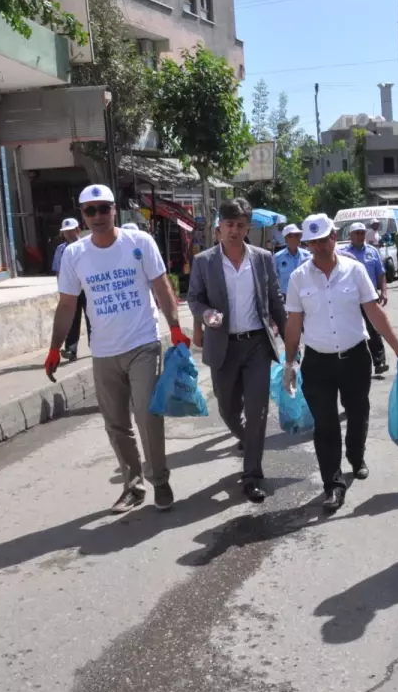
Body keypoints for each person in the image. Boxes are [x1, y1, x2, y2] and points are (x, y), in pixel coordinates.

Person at [46, 184, 190, 513]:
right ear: (82, 216)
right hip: (104, 350)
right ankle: (133, 485)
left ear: (114, 210)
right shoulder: (74, 254)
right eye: (90, 210)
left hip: (143, 343)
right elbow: (67, 304)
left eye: (103, 208)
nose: (98, 216)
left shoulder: (139, 242)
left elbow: (160, 285)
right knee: (116, 423)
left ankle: (159, 480)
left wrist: (176, 326)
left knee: (147, 414)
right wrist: (55, 348)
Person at [283, 214, 398, 512]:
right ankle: (333, 484)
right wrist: (289, 363)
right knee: (325, 425)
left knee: (358, 413)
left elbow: (374, 313)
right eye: (312, 242)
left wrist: (397, 346)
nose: (318, 247)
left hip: (354, 357)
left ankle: (356, 456)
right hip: (317, 363)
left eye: (323, 239)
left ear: (333, 238)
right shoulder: (299, 278)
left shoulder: (355, 271)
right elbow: (293, 323)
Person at [187, 199, 287, 504]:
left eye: (240, 225)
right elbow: (194, 298)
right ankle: (247, 438)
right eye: (229, 224)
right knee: (228, 410)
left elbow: (275, 300)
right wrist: (205, 317)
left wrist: (292, 341)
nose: (234, 230)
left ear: (248, 228)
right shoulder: (204, 261)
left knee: (257, 411)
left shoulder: (262, 258)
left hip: (257, 344)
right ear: (220, 228)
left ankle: (253, 475)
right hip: (223, 347)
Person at [339, 222, 391, 375]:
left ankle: (379, 361)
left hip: (370, 297)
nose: (360, 236)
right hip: (350, 297)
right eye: (357, 233)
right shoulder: (342, 253)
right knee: (352, 329)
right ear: (350, 236)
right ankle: (353, 364)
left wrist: (384, 291)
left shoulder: (372, 252)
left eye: (362, 233)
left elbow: (381, 273)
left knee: (374, 329)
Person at [52, 216, 90, 361]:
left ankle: (96, 345)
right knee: (72, 319)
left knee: (91, 317)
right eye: (65, 232)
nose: (68, 234)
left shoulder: (87, 246)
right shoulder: (60, 250)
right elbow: (58, 270)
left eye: (70, 231)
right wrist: (61, 288)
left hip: (86, 288)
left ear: (78, 230)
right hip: (71, 290)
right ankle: (71, 349)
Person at [274, 223, 312, 299]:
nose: (300, 238)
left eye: (299, 235)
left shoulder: (307, 255)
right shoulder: (277, 257)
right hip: (286, 297)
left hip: (306, 296)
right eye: (297, 235)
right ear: (287, 238)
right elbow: (273, 280)